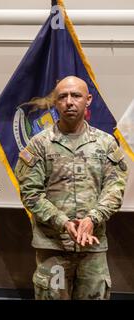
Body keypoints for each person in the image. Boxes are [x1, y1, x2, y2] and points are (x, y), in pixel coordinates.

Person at [15, 76, 128, 300]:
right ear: (54, 103)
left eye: (76, 95)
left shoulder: (105, 144)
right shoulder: (39, 144)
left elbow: (115, 189)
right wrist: (63, 222)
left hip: (92, 248)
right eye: (62, 97)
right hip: (53, 247)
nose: (69, 101)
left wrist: (92, 219)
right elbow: (31, 193)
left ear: (88, 100)